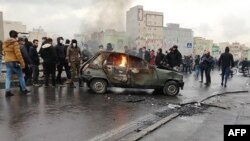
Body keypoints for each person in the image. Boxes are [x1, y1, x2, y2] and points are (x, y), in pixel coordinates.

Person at [2, 30, 30, 96]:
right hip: (14, 61)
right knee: (20, 75)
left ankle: (7, 91)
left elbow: (4, 53)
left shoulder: (5, 43)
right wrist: (23, 63)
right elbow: (18, 54)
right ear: (16, 36)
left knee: (8, 77)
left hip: (7, 61)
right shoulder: (15, 43)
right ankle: (24, 90)